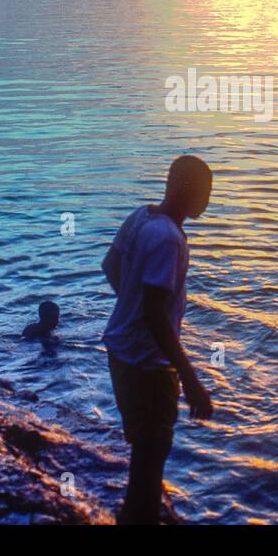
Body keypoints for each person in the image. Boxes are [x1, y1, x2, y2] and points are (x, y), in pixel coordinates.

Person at [101, 155, 214, 524]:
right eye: (205, 192)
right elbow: (154, 314)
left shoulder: (141, 217)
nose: (208, 200)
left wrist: (130, 304)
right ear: (188, 191)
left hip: (121, 352)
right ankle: (140, 513)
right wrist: (191, 379)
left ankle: (145, 504)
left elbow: (110, 266)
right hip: (147, 364)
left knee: (143, 446)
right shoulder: (168, 239)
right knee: (154, 447)